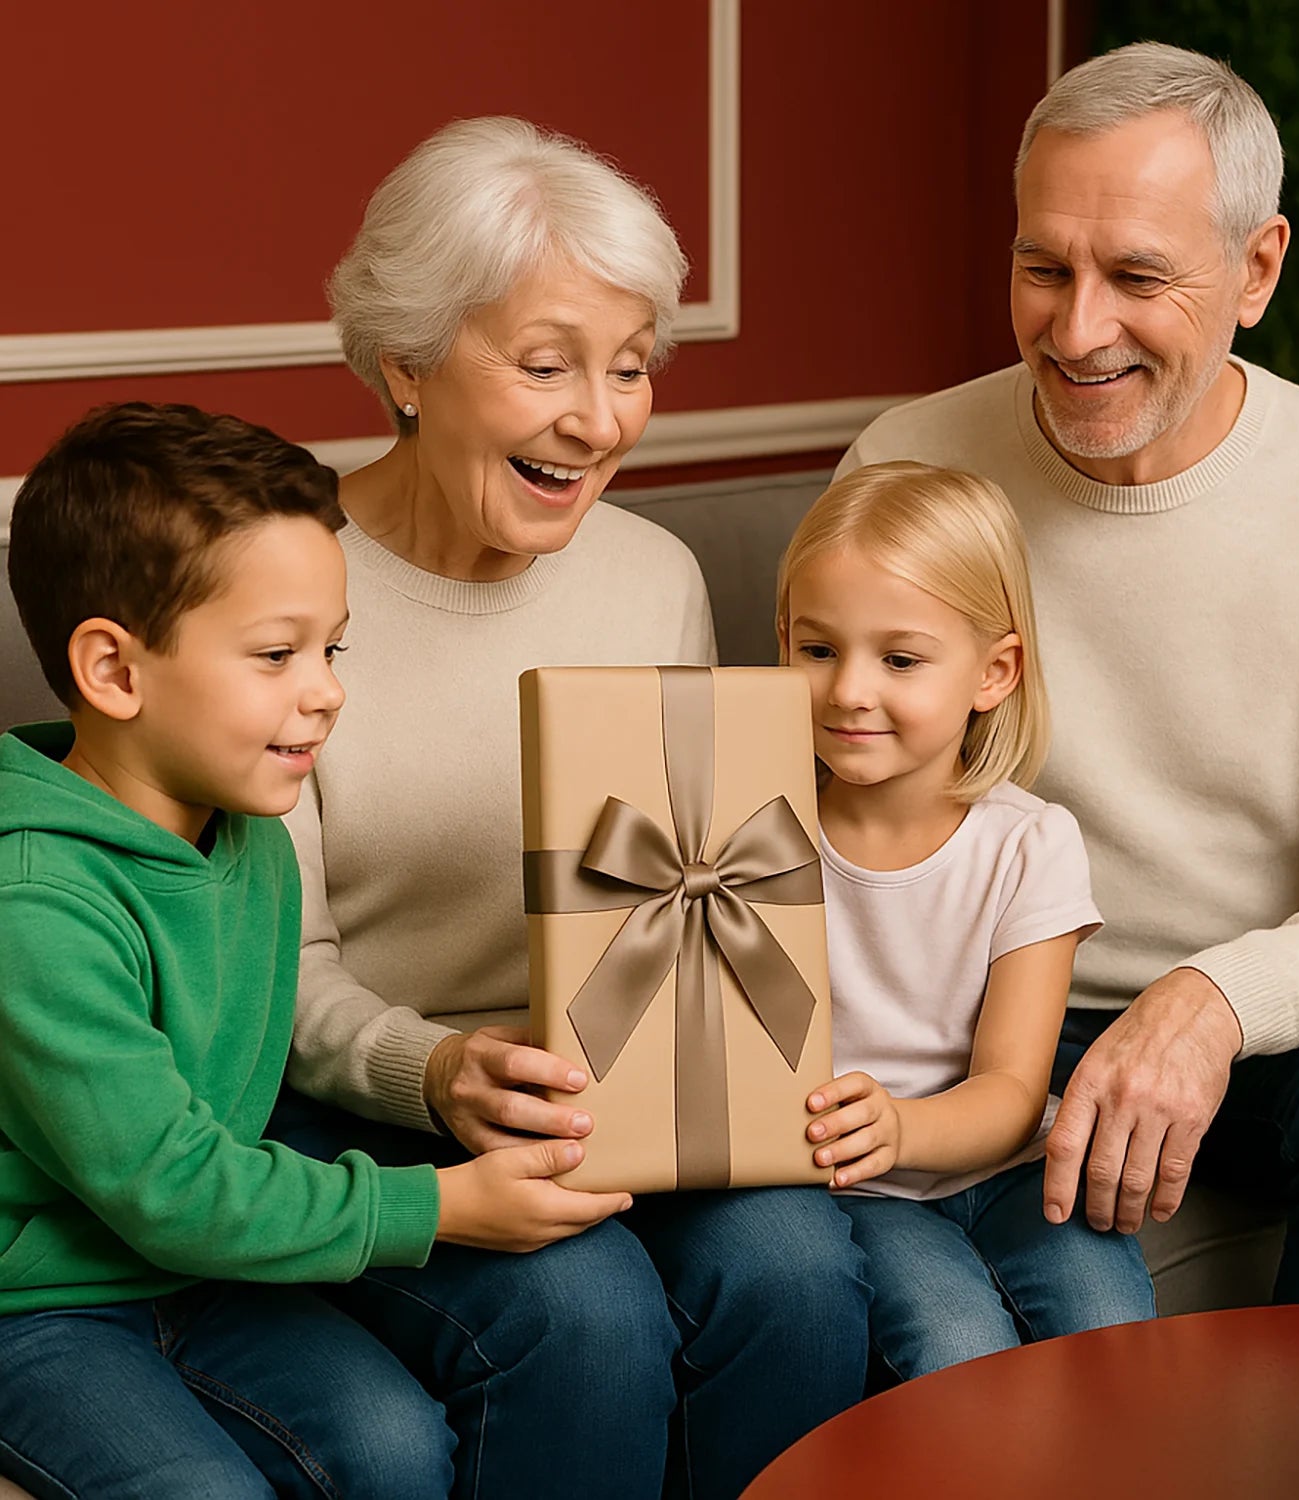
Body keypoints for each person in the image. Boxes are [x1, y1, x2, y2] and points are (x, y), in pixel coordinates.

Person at [837, 41, 1299, 1304]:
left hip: (1262, 1022)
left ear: (1258, 269)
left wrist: (1213, 998)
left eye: (1138, 276)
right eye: (1044, 268)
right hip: (966, 1016)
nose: (1078, 329)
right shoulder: (910, 464)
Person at [273, 116, 869, 1499]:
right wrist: (438, 1070)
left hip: (635, 1093)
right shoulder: (278, 580)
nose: (599, 421)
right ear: (407, 362)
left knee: (794, 1273)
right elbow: (275, 963)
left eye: (630, 367)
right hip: (375, 1101)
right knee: (586, 1319)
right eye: (545, 366)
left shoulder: (654, 576)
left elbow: (703, 891)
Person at [0, 402, 589, 1497]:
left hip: (199, 1270)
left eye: (332, 647)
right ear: (115, 672)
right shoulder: (33, 900)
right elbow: (171, 1184)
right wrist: (443, 1206)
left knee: (395, 1445)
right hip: (35, 1307)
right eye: (277, 654)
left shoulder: (250, 831)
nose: (326, 691)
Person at [776, 460, 1155, 1381]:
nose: (849, 690)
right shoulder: (751, 836)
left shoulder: (1030, 844)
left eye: (899, 660)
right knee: (955, 1349)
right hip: (861, 1193)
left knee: (1113, 1336)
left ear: (994, 672)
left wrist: (904, 1127)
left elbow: (1012, 1089)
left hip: (1011, 1168)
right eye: (818, 650)